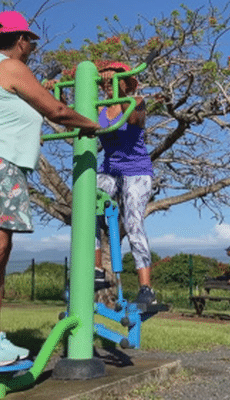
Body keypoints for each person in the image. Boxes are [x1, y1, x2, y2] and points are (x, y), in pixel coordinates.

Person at [0, 10, 101, 367]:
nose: (32, 47)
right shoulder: (9, 66)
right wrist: (90, 125)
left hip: (2, 164)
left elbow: (34, 103)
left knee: (1, 251)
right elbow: (56, 111)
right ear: (20, 39)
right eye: (31, 41)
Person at [92, 61, 156, 305]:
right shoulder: (97, 107)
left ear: (127, 84)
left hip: (136, 170)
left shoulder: (135, 101)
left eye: (115, 79)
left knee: (132, 221)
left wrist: (116, 89)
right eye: (106, 81)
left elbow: (134, 121)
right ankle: (97, 271)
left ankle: (146, 288)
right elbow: (71, 118)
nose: (108, 84)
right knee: (87, 207)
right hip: (109, 169)